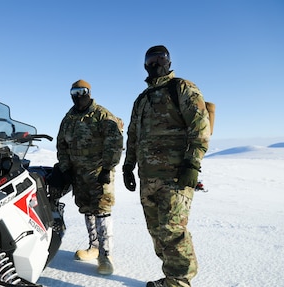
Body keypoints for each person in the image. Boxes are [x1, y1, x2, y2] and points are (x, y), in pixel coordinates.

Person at [123, 45, 211, 287]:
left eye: (161, 58)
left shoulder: (182, 88)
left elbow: (200, 126)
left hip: (175, 175)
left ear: (169, 61)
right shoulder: (141, 99)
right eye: (151, 59)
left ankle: (179, 282)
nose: (156, 63)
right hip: (148, 177)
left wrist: (192, 163)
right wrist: (128, 165)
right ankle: (171, 276)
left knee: (172, 230)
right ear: (145, 64)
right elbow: (133, 134)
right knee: (157, 232)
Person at [55, 79, 123, 275]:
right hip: (78, 173)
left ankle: (106, 255)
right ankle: (94, 247)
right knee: (87, 209)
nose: (78, 95)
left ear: (89, 92)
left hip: (99, 172)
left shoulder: (101, 115)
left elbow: (115, 142)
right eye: (74, 91)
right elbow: (61, 145)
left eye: (82, 91)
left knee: (102, 209)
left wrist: (107, 169)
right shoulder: (68, 118)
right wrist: (66, 168)